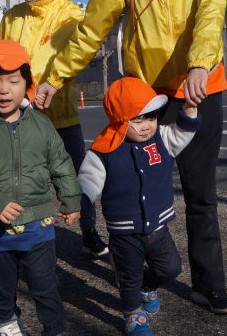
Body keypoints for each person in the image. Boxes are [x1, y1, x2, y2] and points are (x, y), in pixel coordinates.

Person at [35, 0, 227, 314]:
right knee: (131, 191)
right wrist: (56, 76)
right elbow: (92, 28)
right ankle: (139, 279)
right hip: (144, 99)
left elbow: (210, 14)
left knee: (201, 194)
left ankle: (210, 284)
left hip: (199, 88)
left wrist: (200, 65)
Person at [0, 40, 81, 336]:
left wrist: (71, 198)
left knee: (46, 285)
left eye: (13, 81)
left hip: (39, 224)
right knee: (1, 287)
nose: (4, 90)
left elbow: (60, 162)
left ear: (27, 84)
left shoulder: (41, 124)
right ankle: (7, 320)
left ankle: (55, 329)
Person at [0, 0, 108, 258]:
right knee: (23, 177)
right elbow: (3, 57)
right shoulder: (12, 17)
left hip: (60, 112)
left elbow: (69, 58)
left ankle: (89, 232)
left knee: (76, 177)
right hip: (20, 111)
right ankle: (25, 235)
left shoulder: (70, 13)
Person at [78, 77, 200, 334]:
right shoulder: (103, 151)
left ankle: (147, 286)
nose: (147, 126)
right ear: (120, 119)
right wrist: (77, 205)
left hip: (159, 227)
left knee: (171, 268)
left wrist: (190, 109)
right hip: (124, 233)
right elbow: (87, 183)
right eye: (138, 119)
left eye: (152, 117)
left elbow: (182, 133)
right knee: (129, 278)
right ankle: (134, 314)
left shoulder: (162, 139)